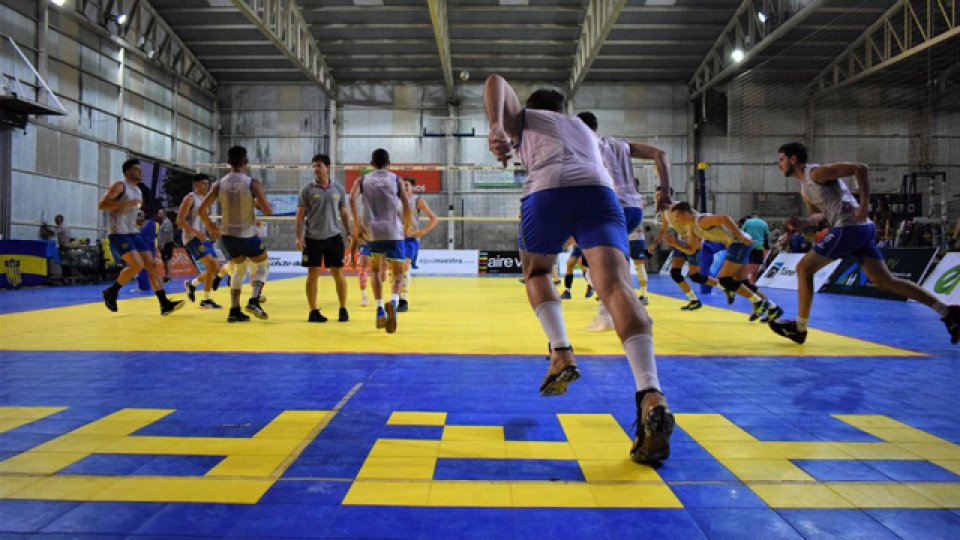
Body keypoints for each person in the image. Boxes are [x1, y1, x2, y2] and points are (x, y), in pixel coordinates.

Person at [484, 74, 673, 464]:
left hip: (549, 187)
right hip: (601, 192)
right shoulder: (584, 130)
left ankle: (561, 352)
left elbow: (495, 81)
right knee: (617, 287)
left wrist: (497, 127)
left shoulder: (527, 118)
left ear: (531, 108)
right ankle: (650, 392)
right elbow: (655, 154)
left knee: (536, 272)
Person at [769, 142, 960, 344]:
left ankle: (799, 327)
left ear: (793, 159)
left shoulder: (816, 173)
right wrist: (803, 223)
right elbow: (820, 214)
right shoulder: (804, 189)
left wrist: (864, 205)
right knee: (885, 281)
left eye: (781, 159)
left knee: (803, 268)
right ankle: (948, 312)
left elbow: (860, 168)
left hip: (850, 227)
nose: (779, 164)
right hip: (859, 229)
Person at [670, 201, 783, 323]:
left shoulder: (701, 220)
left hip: (739, 243)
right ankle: (773, 308)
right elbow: (692, 250)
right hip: (736, 244)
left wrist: (740, 235)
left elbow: (724, 218)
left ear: (686, 214)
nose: (676, 220)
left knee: (725, 279)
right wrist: (673, 243)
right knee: (744, 282)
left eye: (677, 216)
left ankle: (758, 302)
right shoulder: (693, 228)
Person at [99, 158, 184, 316]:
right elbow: (102, 205)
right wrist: (124, 204)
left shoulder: (138, 190)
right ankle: (112, 291)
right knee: (137, 265)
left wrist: (138, 219)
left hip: (133, 232)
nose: (140, 172)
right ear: (127, 171)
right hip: (119, 233)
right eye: (137, 169)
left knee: (151, 265)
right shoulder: (119, 186)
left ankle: (164, 303)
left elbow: (129, 211)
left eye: (140, 169)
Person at [198, 146, 274, 323]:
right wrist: (255, 204)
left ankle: (234, 310)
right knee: (264, 265)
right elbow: (268, 210)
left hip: (226, 236)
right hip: (246, 234)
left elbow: (201, 210)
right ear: (246, 164)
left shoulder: (219, 183)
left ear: (228, 163)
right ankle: (254, 301)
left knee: (239, 269)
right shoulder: (252, 183)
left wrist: (212, 227)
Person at [349, 148, 413, 333]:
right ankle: (393, 301)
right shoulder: (395, 179)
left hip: (373, 232)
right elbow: (407, 204)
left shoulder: (362, 180)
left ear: (371, 163)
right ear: (389, 162)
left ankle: (378, 309)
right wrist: (407, 225)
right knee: (398, 274)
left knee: (376, 271)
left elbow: (352, 199)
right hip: (394, 231)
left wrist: (357, 223)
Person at [296, 153, 351, 323]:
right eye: (313, 166)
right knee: (312, 275)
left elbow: (344, 213)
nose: (315, 169)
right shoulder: (307, 189)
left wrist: (349, 232)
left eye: (319, 165)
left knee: (338, 274)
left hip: (334, 238)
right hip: (312, 238)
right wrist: (299, 237)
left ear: (327, 167)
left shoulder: (338, 189)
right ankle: (313, 311)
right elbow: (300, 216)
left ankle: (343, 308)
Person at [177, 173, 225, 309]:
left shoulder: (205, 200)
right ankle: (206, 299)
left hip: (203, 237)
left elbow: (204, 221)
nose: (207, 186)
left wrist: (212, 231)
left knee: (216, 269)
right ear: (196, 185)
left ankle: (192, 284)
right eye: (204, 183)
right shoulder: (190, 198)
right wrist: (196, 232)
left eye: (207, 183)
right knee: (211, 265)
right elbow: (179, 221)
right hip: (192, 238)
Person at [396, 178, 439, 312]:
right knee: (395, 270)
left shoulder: (417, 200)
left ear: (413, 188)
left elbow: (434, 219)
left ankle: (404, 300)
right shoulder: (394, 200)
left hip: (411, 240)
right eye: (402, 185)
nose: (404, 187)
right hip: (396, 238)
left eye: (407, 185)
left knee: (405, 265)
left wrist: (420, 232)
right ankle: (396, 298)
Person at [741, 213, 770, 283]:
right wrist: (766, 247)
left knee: (747, 263)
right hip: (759, 246)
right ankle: (753, 281)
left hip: (748, 245)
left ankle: (746, 280)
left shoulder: (747, 222)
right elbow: (766, 236)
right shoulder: (764, 223)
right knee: (757, 264)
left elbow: (742, 233)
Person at [156, 209, 175, 283]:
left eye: (160, 213)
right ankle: (166, 276)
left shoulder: (167, 222)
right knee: (165, 260)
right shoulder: (163, 222)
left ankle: (168, 276)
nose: (158, 215)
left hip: (167, 244)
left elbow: (166, 234)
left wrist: (163, 244)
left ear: (164, 214)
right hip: (165, 244)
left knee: (167, 260)